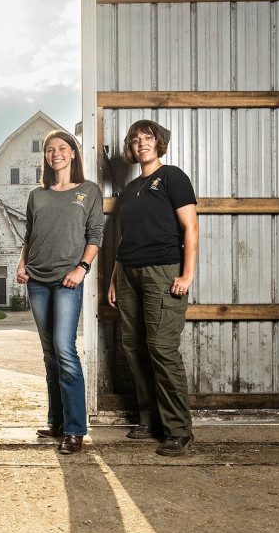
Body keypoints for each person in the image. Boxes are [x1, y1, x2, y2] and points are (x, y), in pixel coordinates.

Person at [106, 120, 198, 456]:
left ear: (159, 143)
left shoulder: (173, 177)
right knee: (134, 346)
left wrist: (187, 275)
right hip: (129, 272)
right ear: (130, 148)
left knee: (161, 348)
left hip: (163, 271)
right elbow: (124, 238)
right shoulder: (130, 190)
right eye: (135, 139)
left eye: (148, 138)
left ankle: (178, 430)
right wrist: (115, 277)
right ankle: (150, 420)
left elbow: (190, 227)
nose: (142, 143)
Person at [17, 130, 104, 455]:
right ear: (46, 157)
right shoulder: (37, 195)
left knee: (65, 351)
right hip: (36, 279)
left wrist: (82, 268)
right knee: (49, 355)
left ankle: (75, 430)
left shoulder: (88, 191)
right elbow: (30, 233)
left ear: (73, 153)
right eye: (50, 149)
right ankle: (56, 422)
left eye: (62, 148)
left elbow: (96, 233)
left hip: (68, 279)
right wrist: (21, 263)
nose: (56, 153)